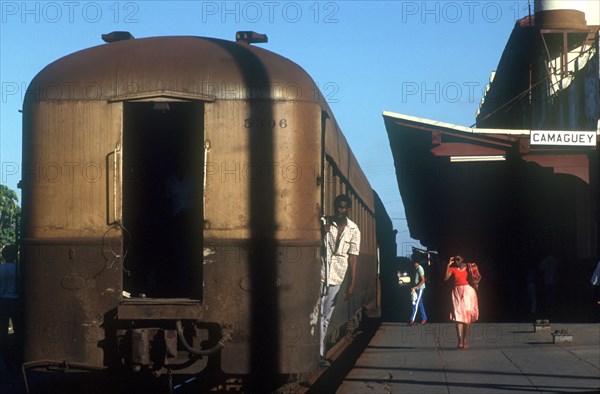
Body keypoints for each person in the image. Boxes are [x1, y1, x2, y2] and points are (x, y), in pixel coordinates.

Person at [319, 194, 361, 367]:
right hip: (320, 272)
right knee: (316, 312)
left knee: (326, 315)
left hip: (337, 275)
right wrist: (321, 231)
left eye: (343, 207)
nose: (340, 210)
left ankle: (320, 354)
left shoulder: (354, 230)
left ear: (348, 210)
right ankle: (315, 351)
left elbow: (353, 258)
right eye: (338, 206)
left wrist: (351, 284)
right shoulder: (324, 223)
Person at [444, 255, 480, 349]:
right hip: (456, 292)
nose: (456, 261)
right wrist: (448, 265)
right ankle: (460, 341)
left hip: (467, 292)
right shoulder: (453, 269)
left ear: (463, 259)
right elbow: (446, 278)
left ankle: (465, 341)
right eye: (455, 259)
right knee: (458, 317)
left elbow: (477, 276)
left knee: (466, 318)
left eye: (458, 259)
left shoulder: (469, 267)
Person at [0, 245, 20, 369]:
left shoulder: (1, 269)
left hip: (2, 300)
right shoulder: (19, 269)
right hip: (16, 300)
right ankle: (17, 352)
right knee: (18, 327)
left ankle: (4, 352)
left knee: (2, 328)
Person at [410, 260, 427, 325]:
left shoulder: (420, 269)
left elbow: (423, 280)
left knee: (415, 303)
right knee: (420, 303)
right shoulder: (415, 268)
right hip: (416, 288)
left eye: (416, 263)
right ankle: (424, 318)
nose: (415, 264)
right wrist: (413, 287)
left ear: (418, 263)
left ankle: (412, 319)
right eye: (414, 263)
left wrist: (416, 287)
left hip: (420, 288)